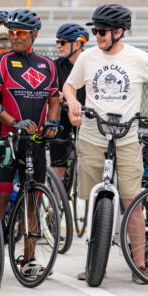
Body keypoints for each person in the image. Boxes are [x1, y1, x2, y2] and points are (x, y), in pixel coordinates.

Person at [64, 3, 148, 283]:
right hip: (91, 135)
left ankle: (139, 265)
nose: (97, 36)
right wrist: (73, 101)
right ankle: (93, 262)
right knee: (94, 198)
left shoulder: (137, 58)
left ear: (119, 32)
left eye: (102, 31)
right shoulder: (87, 58)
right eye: (96, 30)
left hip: (126, 137)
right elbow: (69, 85)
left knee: (131, 201)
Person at [0, 8, 61, 279]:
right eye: (11, 33)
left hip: (35, 142)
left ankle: (29, 259)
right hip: (4, 140)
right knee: (0, 198)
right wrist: (13, 122)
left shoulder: (47, 65)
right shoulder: (0, 62)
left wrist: (52, 123)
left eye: (20, 33)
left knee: (33, 198)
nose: (14, 38)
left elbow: (54, 99)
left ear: (35, 35)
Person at [51, 22, 89, 184]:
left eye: (63, 42)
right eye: (57, 42)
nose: (59, 46)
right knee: (57, 164)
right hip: (64, 118)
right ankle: (54, 207)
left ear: (78, 44)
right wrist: (54, 93)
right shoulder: (55, 65)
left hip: (87, 118)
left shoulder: (91, 64)